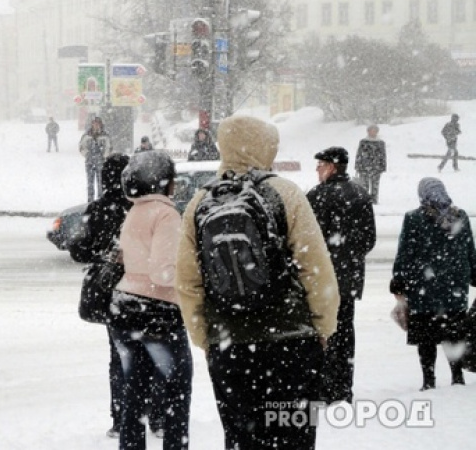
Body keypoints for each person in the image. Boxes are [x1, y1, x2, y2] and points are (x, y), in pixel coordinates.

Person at [177, 116, 339, 450]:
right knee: (294, 436)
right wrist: (323, 328)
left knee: (241, 438)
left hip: (229, 344)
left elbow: (187, 282)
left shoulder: (200, 203)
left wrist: (204, 336)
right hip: (291, 340)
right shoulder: (285, 193)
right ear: (266, 146)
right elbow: (316, 269)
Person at [67, 154, 165, 439]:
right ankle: (158, 415)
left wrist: (102, 256)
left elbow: (78, 250)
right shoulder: (144, 208)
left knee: (121, 357)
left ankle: (122, 417)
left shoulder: (97, 209)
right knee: (154, 351)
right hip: (147, 292)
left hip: (114, 298)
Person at [109, 150, 192, 450]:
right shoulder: (166, 213)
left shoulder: (135, 211)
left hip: (124, 304)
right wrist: (192, 272)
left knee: (134, 392)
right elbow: (163, 272)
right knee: (176, 393)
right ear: (163, 181)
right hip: (157, 310)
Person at [390, 177, 476, 391]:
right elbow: (469, 249)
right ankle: (457, 378)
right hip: (454, 289)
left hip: (423, 289)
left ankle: (429, 381)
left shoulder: (414, 218)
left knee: (426, 337)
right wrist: (474, 273)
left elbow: (405, 253)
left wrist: (399, 280)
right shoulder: (460, 216)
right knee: (453, 333)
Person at [306, 147, 377, 404]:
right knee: (345, 332)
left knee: (322, 333)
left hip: (322, 279)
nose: (317, 170)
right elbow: (369, 240)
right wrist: (350, 258)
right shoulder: (360, 194)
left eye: (320, 165)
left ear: (332, 167)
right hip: (348, 279)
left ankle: (324, 388)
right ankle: (343, 388)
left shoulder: (317, 196)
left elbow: (305, 241)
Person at [79, 116, 113, 202]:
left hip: (101, 162)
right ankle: (90, 201)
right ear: (92, 124)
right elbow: (81, 147)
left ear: (101, 124)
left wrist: (103, 156)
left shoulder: (105, 135)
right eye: (94, 123)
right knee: (90, 183)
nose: (96, 125)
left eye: (98, 123)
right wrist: (87, 155)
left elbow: (109, 147)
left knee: (101, 182)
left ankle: (100, 200)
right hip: (89, 162)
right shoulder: (86, 135)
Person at [354, 124, 386, 204]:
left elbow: (383, 155)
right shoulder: (363, 142)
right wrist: (358, 166)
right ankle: (365, 199)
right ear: (368, 131)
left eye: (375, 130)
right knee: (364, 185)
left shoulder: (380, 143)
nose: (373, 132)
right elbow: (359, 154)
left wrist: (382, 166)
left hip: (376, 167)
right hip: (364, 167)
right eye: (371, 130)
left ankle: (374, 199)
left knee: (375, 185)